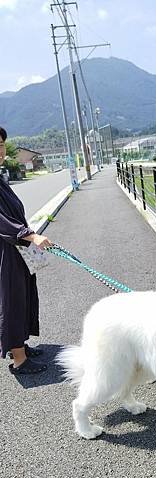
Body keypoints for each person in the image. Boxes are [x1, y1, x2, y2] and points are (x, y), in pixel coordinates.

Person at [0, 126, 53, 374]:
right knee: (11, 300)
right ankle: (19, 360)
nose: (0, 150)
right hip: (5, 251)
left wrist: (28, 236)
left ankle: (19, 345)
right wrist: (29, 235)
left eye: (1, 145)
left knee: (24, 296)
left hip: (16, 249)